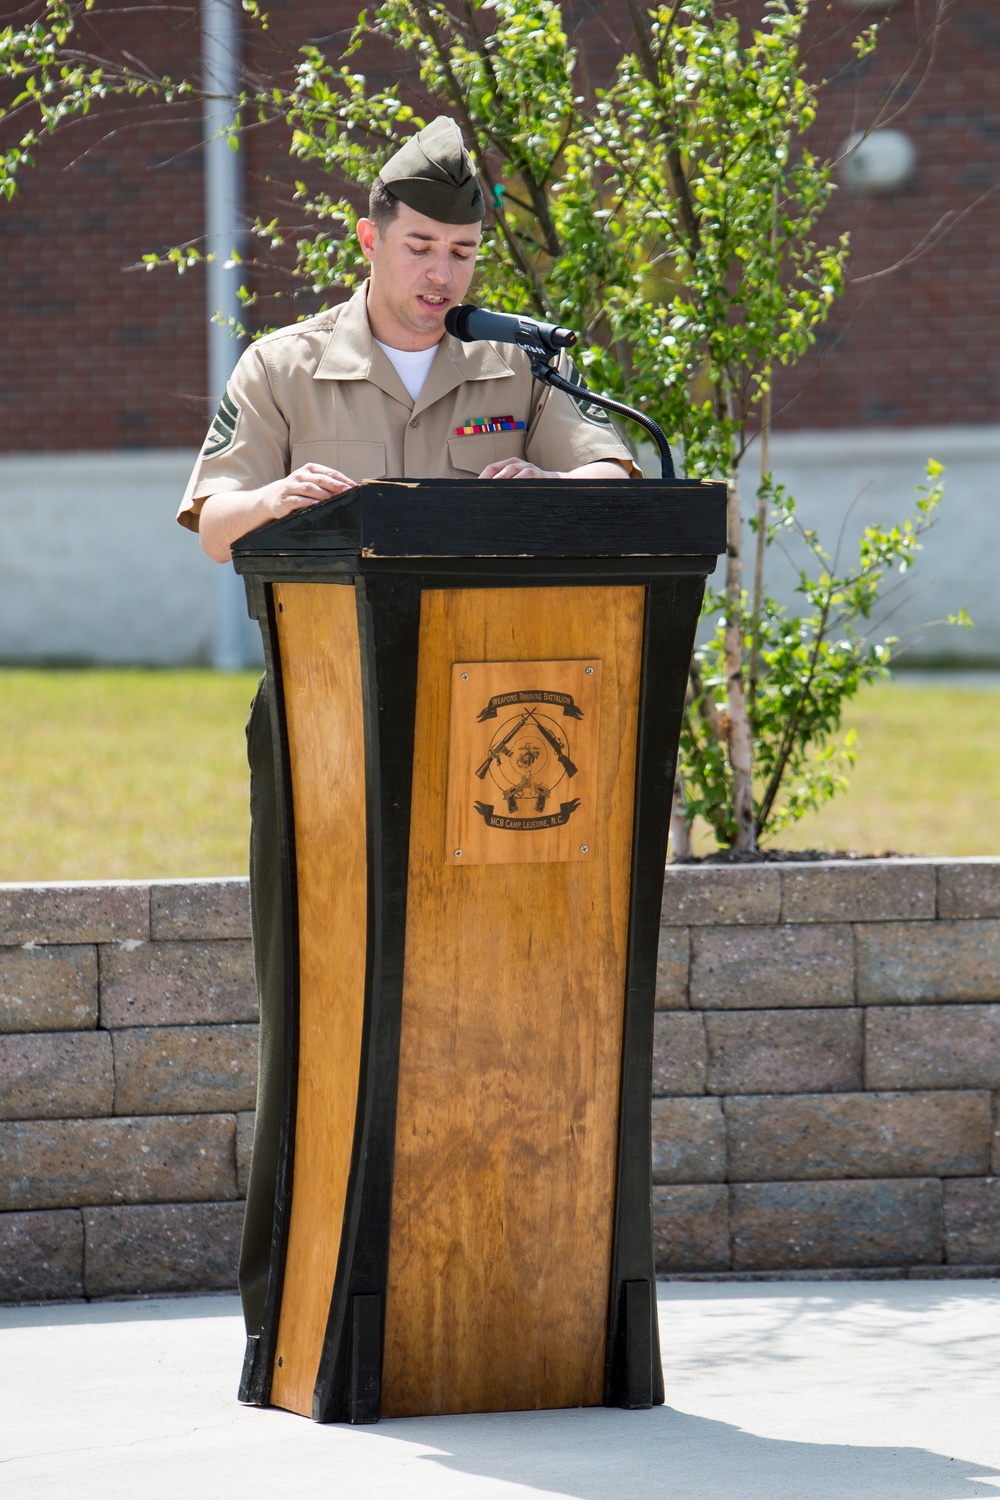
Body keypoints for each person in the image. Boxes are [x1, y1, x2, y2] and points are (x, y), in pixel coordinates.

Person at [177, 117, 639, 1341]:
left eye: (465, 253)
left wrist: (553, 485)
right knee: (322, 995)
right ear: (371, 239)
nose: (442, 276)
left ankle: (490, 1282)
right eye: (422, 245)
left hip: (492, 726)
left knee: (490, 1002)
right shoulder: (284, 366)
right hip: (327, 732)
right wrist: (278, 496)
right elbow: (216, 518)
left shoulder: (514, 369)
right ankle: (301, 1301)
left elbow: (618, 474)